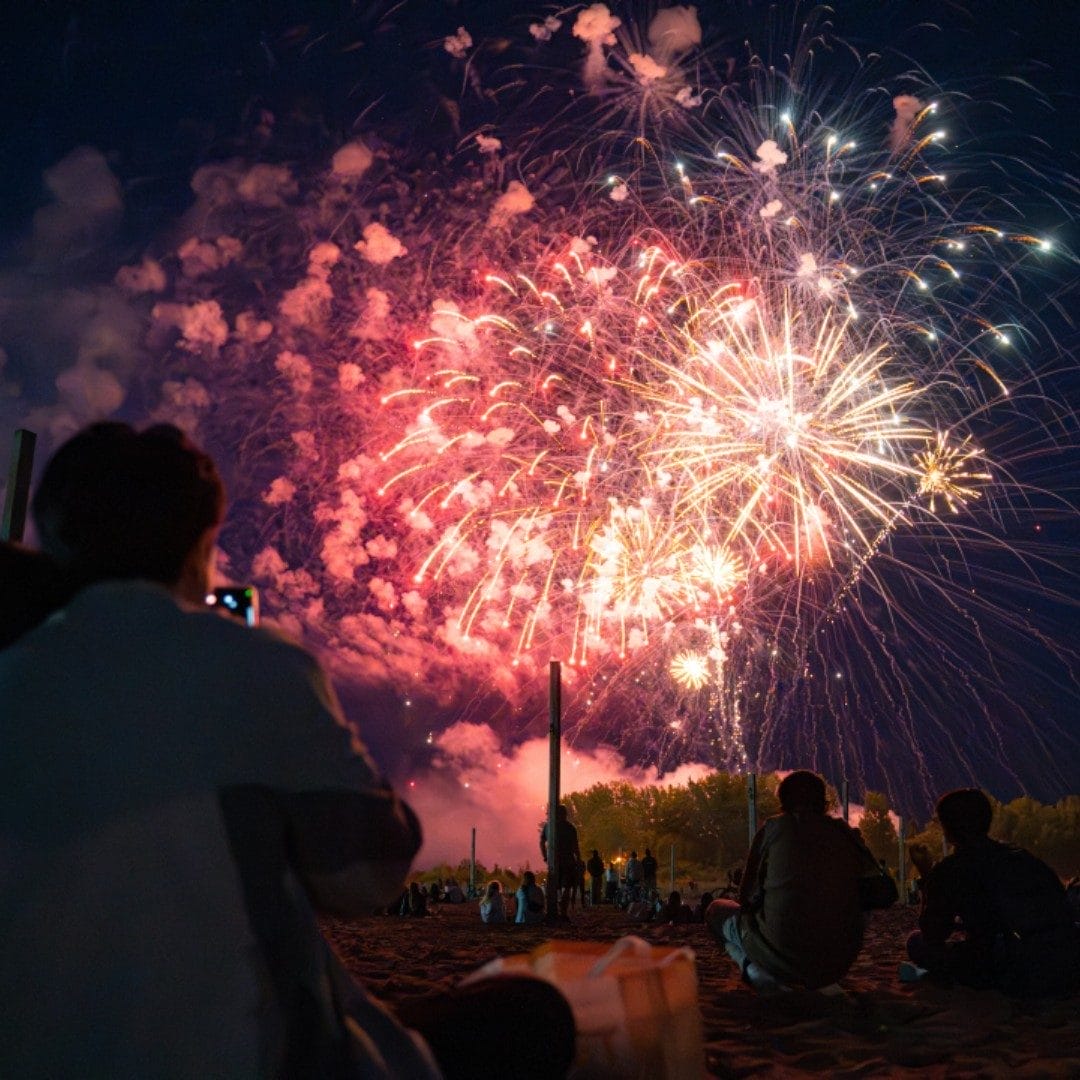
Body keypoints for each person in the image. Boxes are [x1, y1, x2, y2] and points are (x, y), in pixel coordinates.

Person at [0, 422, 575, 1079]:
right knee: (529, 1014)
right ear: (201, 547)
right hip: (240, 1056)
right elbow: (366, 877)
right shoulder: (253, 662)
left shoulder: (13, 671)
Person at [706, 770, 880, 993]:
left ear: (783, 802)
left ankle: (751, 968)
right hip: (838, 964)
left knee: (715, 911)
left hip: (782, 957)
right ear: (824, 802)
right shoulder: (846, 833)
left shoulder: (772, 830)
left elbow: (745, 898)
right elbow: (882, 893)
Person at [907, 788, 1080, 997]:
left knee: (916, 942)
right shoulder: (1022, 856)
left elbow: (933, 933)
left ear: (948, 829)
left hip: (1012, 966)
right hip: (1066, 957)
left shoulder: (951, 869)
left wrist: (928, 875)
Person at [540, 803, 582, 917]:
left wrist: (545, 856)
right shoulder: (570, 828)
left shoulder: (548, 826)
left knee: (554, 887)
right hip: (568, 862)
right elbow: (575, 847)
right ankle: (563, 912)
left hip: (553, 862)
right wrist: (578, 860)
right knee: (566, 888)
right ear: (564, 814)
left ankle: (554, 910)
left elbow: (541, 842)